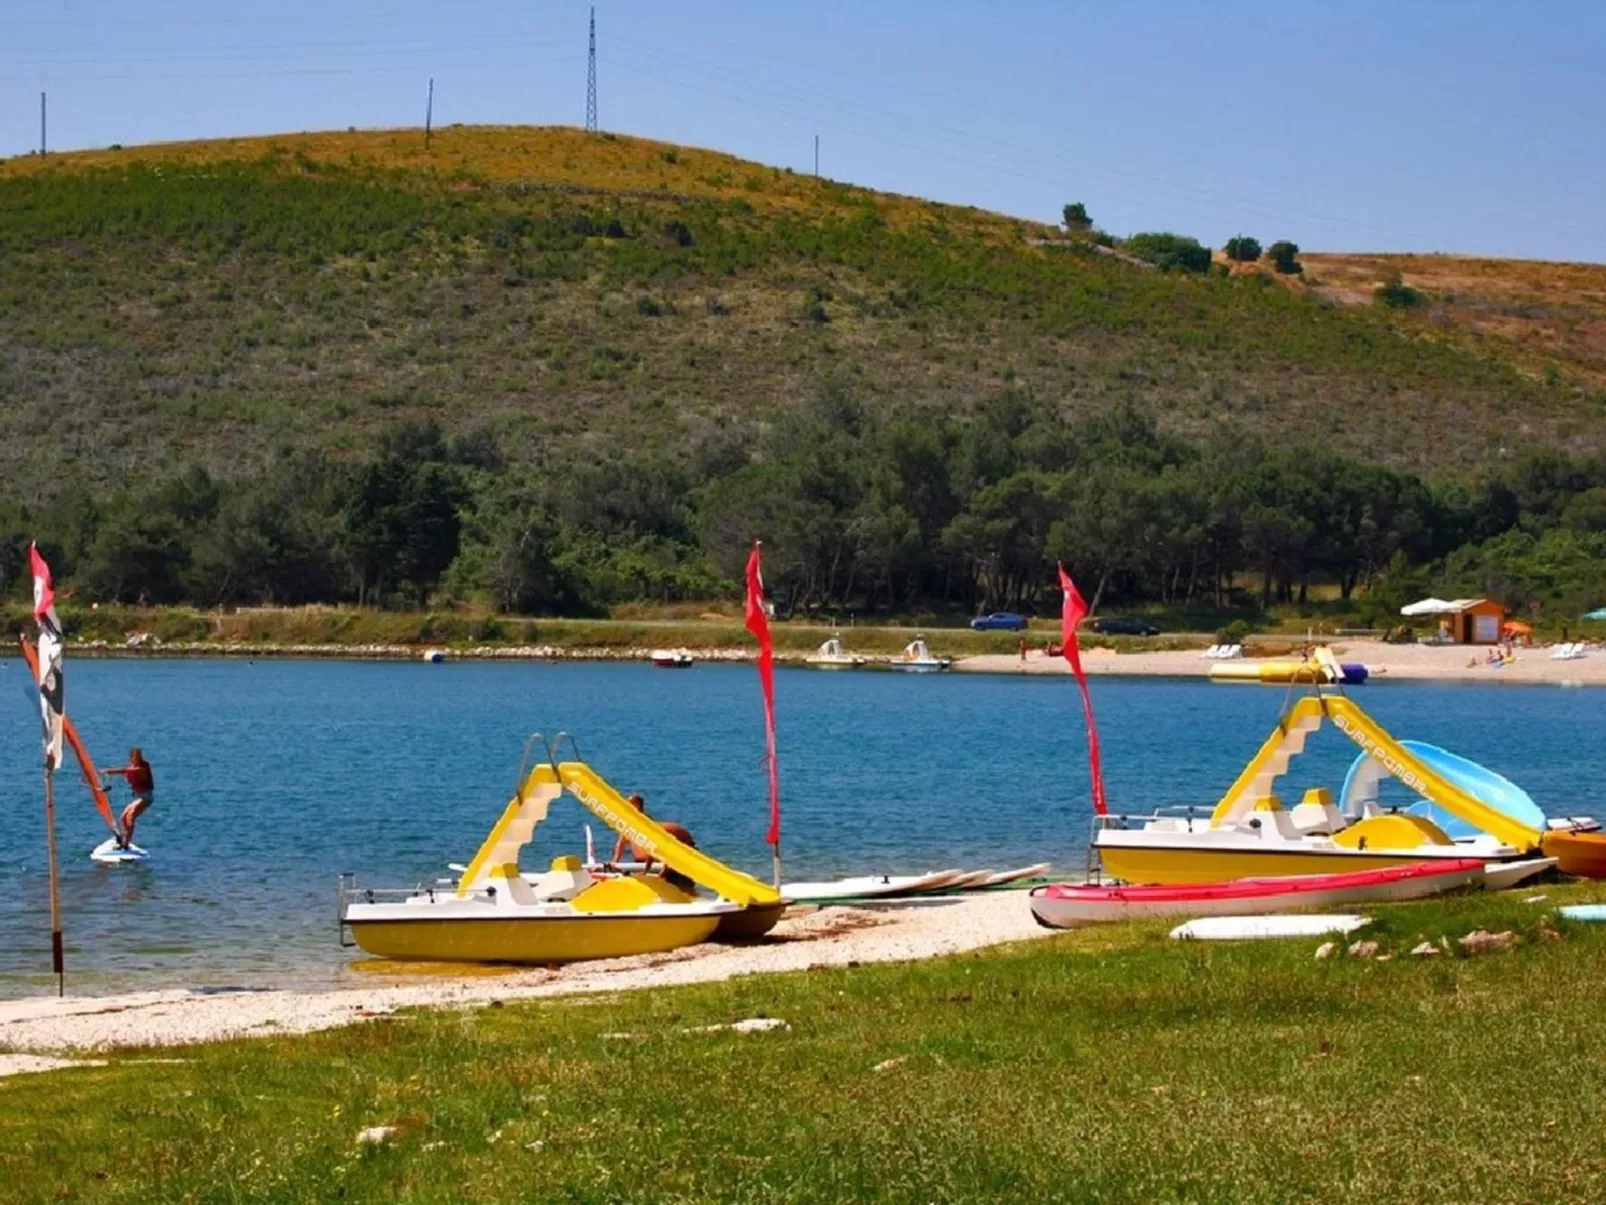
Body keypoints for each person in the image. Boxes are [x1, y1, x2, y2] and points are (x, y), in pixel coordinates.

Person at [612, 792, 697, 892]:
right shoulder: (631, 823)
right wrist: (615, 862)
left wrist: (659, 874)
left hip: (678, 850)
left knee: (680, 886)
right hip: (660, 851)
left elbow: (660, 851)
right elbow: (622, 842)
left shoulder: (649, 825)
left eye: (632, 805)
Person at [104, 747, 155, 848]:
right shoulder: (132, 767)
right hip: (137, 797)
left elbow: (128, 770)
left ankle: (126, 843)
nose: (138, 758)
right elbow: (126, 771)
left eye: (139, 756)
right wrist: (105, 772)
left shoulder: (144, 766)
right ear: (131, 758)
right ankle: (124, 838)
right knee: (123, 817)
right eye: (136, 756)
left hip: (146, 797)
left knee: (131, 816)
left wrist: (108, 771)